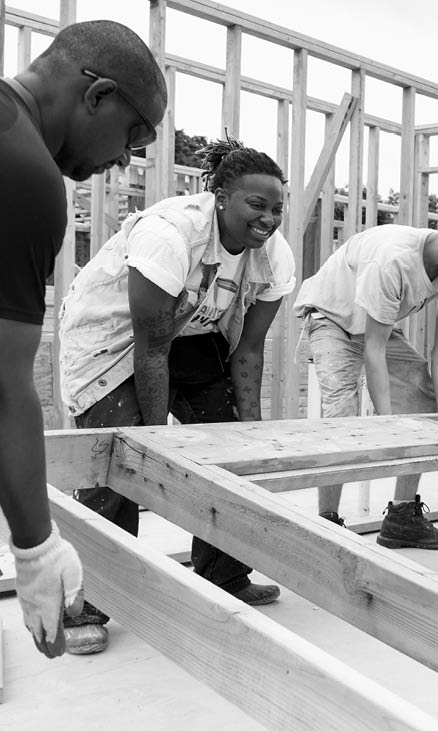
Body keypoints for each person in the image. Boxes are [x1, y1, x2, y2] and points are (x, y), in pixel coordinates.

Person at [58, 136, 294, 654]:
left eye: (278, 207)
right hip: (115, 342)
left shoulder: (273, 256)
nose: (269, 218)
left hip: (192, 337)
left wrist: (246, 435)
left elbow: (249, 352)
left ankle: (224, 574)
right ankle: (84, 603)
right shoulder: (170, 235)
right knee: (115, 461)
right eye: (257, 204)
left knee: (229, 455)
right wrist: (150, 438)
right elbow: (150, 351)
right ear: (220, 196)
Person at [1, 20, 166, 659]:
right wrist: (37, 549)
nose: (126, 158)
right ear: (95, 95)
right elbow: (3, 384)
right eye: (133, 134)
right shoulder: (25, 178)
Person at [294, 188, 438, 549]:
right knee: (341, 415)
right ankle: (327, 522)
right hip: (333, 319)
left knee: (422, 409)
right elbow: (372, 349)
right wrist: (387, 422)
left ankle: (403, 519)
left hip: (379, 326)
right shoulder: (393, 259)